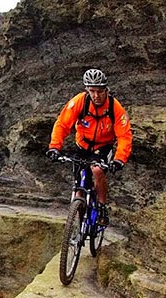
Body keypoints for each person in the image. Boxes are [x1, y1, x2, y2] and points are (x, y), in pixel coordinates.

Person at [46, 68, 132, 226]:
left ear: (106, 90)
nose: (96, 95)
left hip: (103, 146)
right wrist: (54, 147)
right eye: (92, 91)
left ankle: (101, 206)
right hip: (83, 145)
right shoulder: (79, 101)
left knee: (97, 169)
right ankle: (77, 222)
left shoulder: (115, 107)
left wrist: (119, 159)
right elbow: (62, 124)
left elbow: (124, 136)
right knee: (79, 184)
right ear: (87, 90)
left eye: (99, 91)